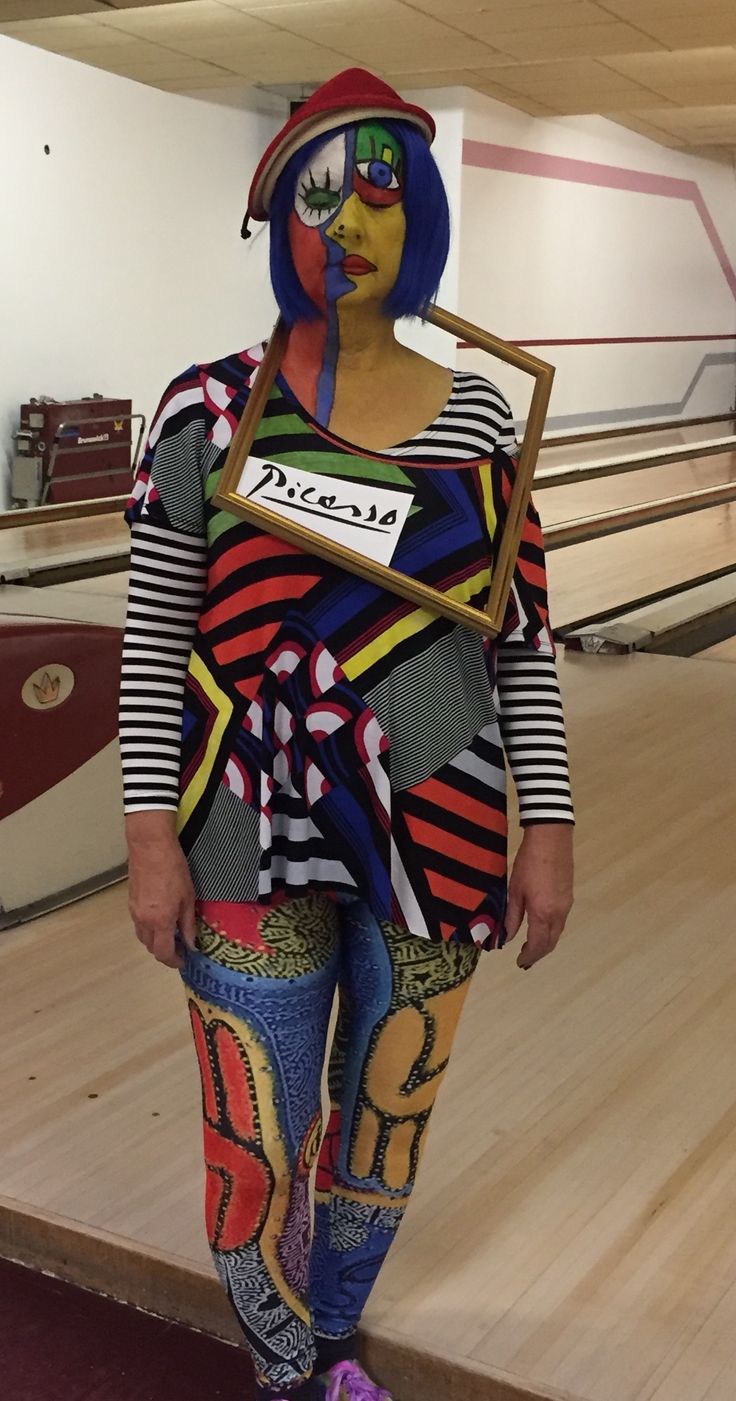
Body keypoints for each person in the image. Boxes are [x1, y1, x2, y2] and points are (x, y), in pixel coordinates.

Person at [119, 68, 575, 1401]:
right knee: (254, 1127)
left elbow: (524, 644)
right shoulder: (204, 410)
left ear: (416, 217)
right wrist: (149, 829)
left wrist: (546, 825)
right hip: (238, 825)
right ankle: (283, 1370)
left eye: (378, 190)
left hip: (441, 818)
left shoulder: (486, 417)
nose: (348, 223)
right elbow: (154, 646)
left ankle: (332, 1338)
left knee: (384, 1121)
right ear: (283, 225)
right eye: (319, 194)